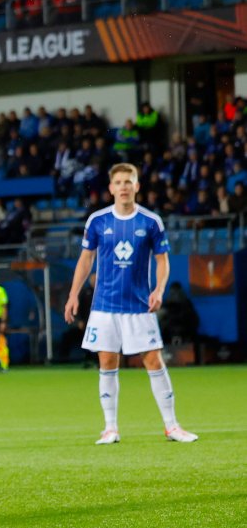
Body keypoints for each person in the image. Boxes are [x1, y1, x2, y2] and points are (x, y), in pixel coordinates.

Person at [64, 162, 198, 445]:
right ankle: (110, 428)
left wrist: (159, 289)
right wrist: (73, 294)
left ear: (137, 186)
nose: (124, 187)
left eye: (129, 182)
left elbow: (163, 261)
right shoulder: (97, 221)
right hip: (104, 307)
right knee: (107, 361)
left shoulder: (151, 222)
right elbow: (85, 259)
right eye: (119, 182)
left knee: (153, 360)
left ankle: (172, 426)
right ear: (111, 188)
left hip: (138, 306)